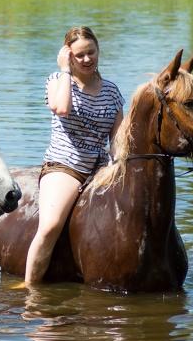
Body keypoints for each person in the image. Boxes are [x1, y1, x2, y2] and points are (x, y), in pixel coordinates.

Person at [24, 26, 125, 285]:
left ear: (98, 50)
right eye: (79, 55)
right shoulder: (56, 81)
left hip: (101, 168)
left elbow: (117, 140)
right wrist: (66, 72)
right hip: (65, 165)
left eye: (91, 52)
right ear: (69, 56)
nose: (87, 59)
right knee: (49, 227)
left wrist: (120, 164)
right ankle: (30, 290)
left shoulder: (112, 92)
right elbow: (62, 108)